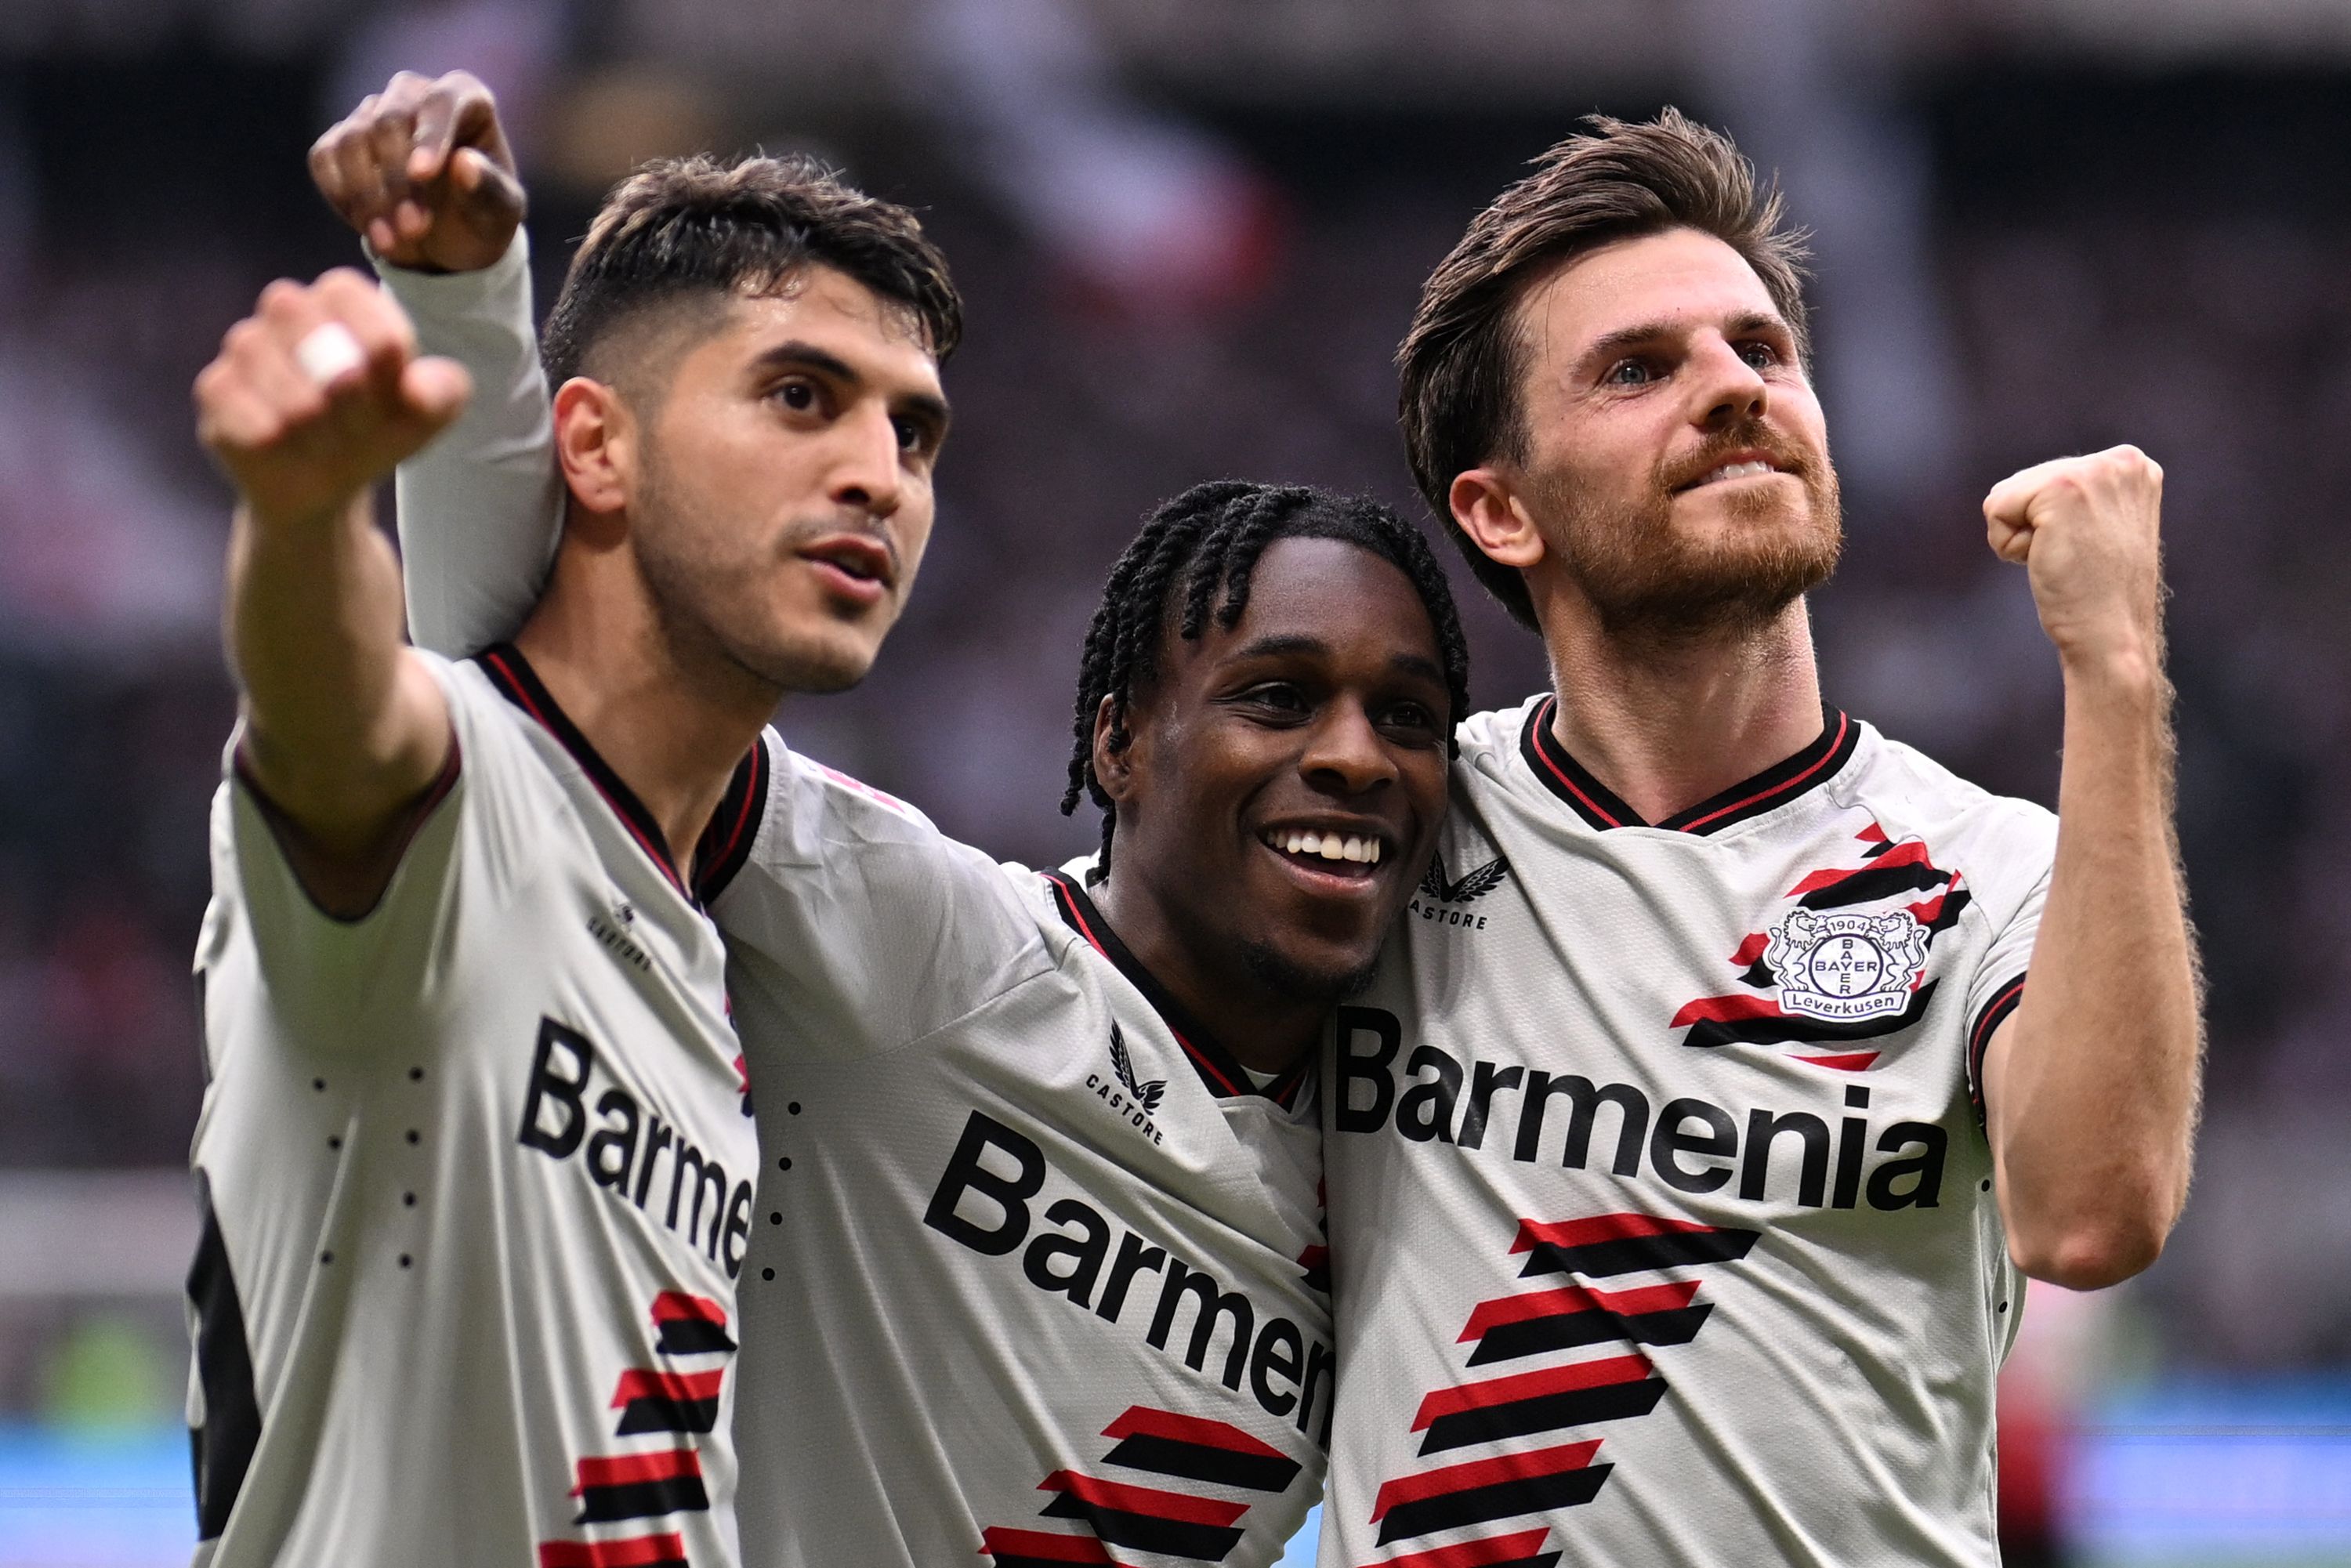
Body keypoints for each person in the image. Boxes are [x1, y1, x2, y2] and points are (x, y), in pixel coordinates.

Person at [307, 72, 1473, 1566]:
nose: (1354, 757)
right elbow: (551, 694)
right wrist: (462, 300)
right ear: (1118, 740)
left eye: (1409, 720)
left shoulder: (1409, 1180)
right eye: (1275, 695)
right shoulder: (934, 949)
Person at [1320, 110, 2203, 1565]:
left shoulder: (1984, 867)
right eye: (1637, 369)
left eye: (1762, 349)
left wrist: (2113, 668)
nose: (1734, 389)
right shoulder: (1393, 828)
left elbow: (2093, 1216)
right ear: (1501, 508)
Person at [186, 143, 958, 1565]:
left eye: (914, 436)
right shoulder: (467, 794)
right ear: (595, 445)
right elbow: (337, 726)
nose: (877, 476)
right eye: (802, 397)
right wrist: (301, 517)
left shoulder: (702, 955)